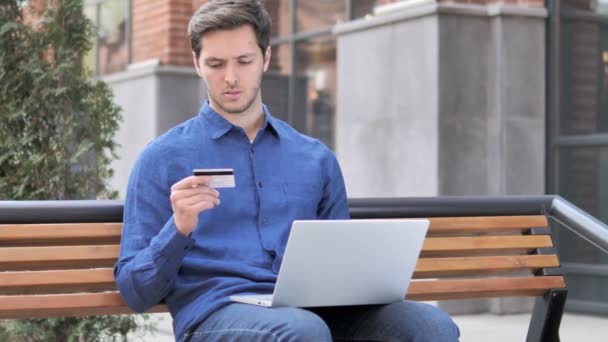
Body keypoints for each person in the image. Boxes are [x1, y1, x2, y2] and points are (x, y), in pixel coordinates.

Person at [114, 0, 460, 341]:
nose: (231, 77)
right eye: (216, 64)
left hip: (315, 314)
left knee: (431, 326)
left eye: (244, 61)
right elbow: (135, 291)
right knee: (302, 330)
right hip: (215, 314)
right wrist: (178, 229)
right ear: (196, 64)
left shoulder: (315, 158)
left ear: (265, 58)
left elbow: (340, 264)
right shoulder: (161, 159)